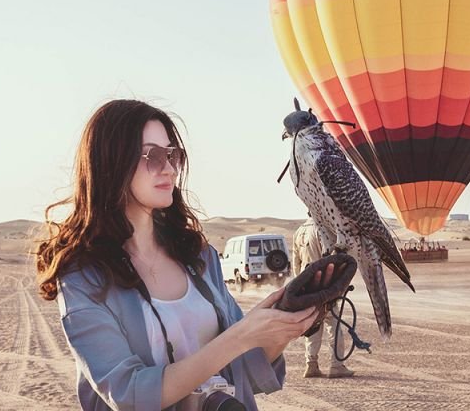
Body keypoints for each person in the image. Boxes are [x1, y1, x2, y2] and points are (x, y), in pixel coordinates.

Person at [34, 99, 328, 410]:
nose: (169, 168)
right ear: (111, 162)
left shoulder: (199, 257)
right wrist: (240, 336)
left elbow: (243, 374)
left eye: (173, 154)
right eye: (152, 156)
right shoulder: (84, 277)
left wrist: (278, 329)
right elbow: (127, 394)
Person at [290, 217, 354, 379]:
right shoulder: (322, 230)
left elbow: (295, 265)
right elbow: (330, 259)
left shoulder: (299, 232)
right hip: (325, 287)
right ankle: (336, 366)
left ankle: (311, 364)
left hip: (307, 289)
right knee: (334, 325)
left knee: (313, 325)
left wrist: (301, 289)